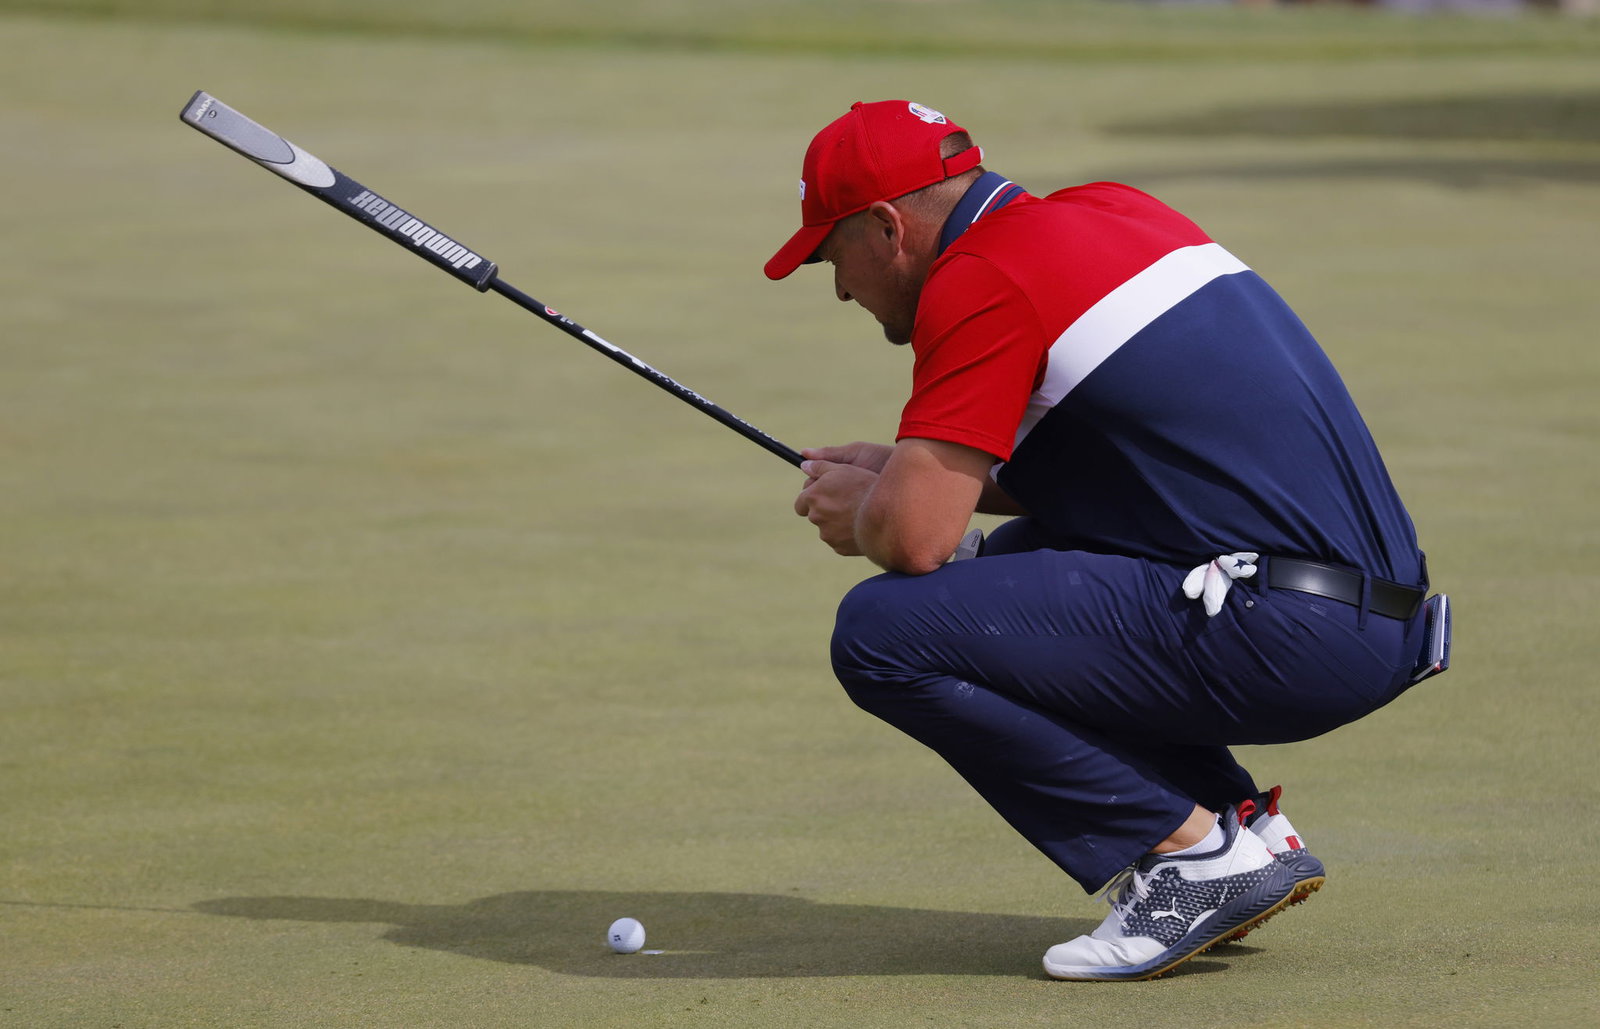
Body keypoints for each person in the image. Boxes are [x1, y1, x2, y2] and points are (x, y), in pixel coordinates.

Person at [764, 100, 1446, 981]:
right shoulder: (1110, 213)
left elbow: (914, 543)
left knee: (881, 632)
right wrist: (902, 469)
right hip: (1358, 611)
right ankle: (1239, 823)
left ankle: (1196, 859)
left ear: (888, 226)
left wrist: (870, 512)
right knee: (995, 569)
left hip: (1292, 628)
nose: (841, 288)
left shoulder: (980, 276)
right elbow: (1126, 471)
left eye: (833, 254)